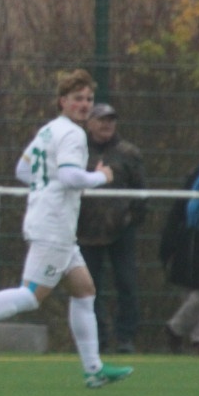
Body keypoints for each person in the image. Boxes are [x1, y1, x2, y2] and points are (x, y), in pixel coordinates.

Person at [0, 69, 134, 388]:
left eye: (88, 99)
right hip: (55, 225)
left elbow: (23, 169)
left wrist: (46, 188)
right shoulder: (72, 134)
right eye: (78, 99)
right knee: (32, 296)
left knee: (84, 290)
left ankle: (93, 369)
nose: (85, 105)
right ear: (63, 101)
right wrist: (102, 176)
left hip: (50, 220)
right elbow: (72, 177)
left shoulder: (49, 130)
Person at [76, 103, 146, 354]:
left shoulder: (128, 153)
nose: (107, 125)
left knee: (126, 284)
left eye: (111, 120)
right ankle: (99, 339)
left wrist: (130, 220)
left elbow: (140, 191)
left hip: (120, 231)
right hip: (85, 231)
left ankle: (125, 338)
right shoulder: (77, 150)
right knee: (88, 288)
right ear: (90, 123)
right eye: (102, 120)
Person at [158, 130, 199, 355]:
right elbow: (179, 209)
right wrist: (169, 241)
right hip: (190, 239)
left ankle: (175, 328)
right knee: (190, 289)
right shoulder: (195, 176)